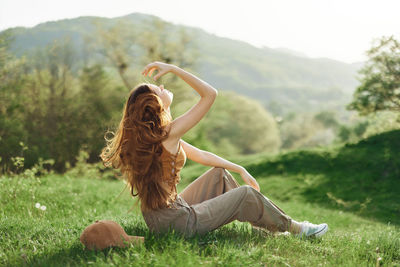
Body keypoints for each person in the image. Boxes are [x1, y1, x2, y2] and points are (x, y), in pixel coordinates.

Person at [100, 61, 328, 239]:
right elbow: (210, 94)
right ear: (155, 104)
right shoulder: (168, 134)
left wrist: (238, 168)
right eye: (158, 89)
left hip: (162, 219)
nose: (162, 86)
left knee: (219, 175)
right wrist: (174, 69)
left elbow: (200, 155)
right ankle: (297, 229)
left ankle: (267, 225)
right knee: (246, 194)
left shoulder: (153, 138)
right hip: (178, 223)